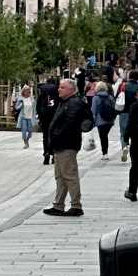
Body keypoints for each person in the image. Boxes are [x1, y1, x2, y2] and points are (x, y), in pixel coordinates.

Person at [44, 76, 91, 218]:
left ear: (71, 89)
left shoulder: (74, 103)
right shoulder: (65, 102)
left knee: (69, 175)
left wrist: (56, 135)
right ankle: (58, 205)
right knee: (60, 176)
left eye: (62, 87)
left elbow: (69, 124)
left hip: (66, 144)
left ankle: (76, 205)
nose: (58, 89)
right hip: (60, 144)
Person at [36, 76, 60, 165]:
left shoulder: (42, 91)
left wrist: (39, 115)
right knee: (54, 135)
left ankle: (46, 153)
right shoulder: (57, 91)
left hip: (44, 116)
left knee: (45, 136)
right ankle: (53, 154)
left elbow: (38, 105)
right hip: (54, 116)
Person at [90, 81, 116, 158]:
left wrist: (92, 121)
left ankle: (105, 153)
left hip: (100, 120)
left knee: (103, 137)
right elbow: (114, 108)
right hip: (110, 120)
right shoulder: (110, 97)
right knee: (105, 136)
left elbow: (93, 110)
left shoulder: (95, 98)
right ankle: (105, 153)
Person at [15, 84, 36, 149]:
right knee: (24, 131)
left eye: (28, 91)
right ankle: (25, 143)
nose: (27, 92)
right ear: (23, 92)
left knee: (30, 132)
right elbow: (16, 108)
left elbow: (34, 108)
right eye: (26, 91)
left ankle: (27, 139)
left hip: (30, 117)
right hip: (23, 117)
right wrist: (21, 104)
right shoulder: (21, 99)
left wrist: (35, 117)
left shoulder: (31, 99)